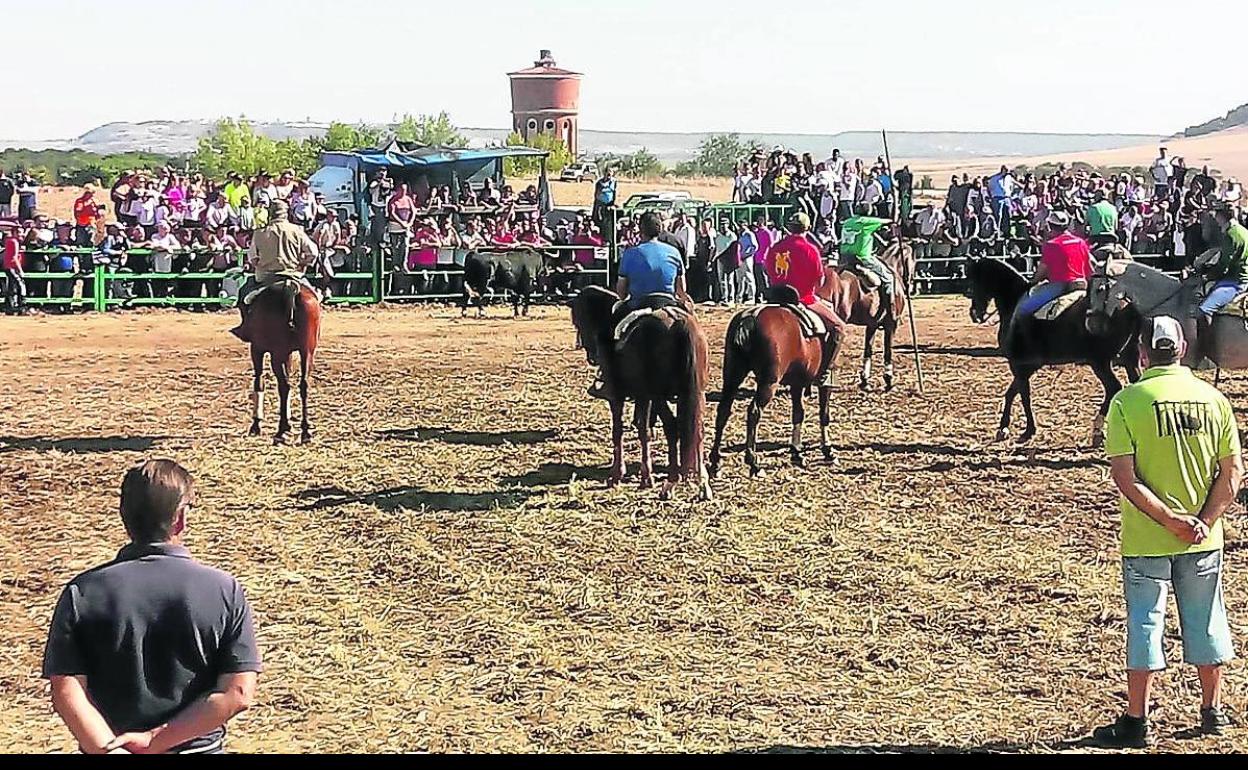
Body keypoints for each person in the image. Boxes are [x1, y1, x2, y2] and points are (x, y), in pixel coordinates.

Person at [42, 460, 261, 754]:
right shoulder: (224, 590)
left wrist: (112, 750)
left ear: (124, 517)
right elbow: (238, 692)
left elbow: (67, 692)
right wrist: (156, 740)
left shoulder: (82, 592)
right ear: (181, 518)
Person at [1092, 316, 1241, 748]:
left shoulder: (1126, 402)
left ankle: (1137, 720)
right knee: (1208, 618)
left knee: (1144, 623)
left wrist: (1168, 521)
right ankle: (1213, 711)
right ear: (1183, 348)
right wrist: (1203, 521)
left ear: (1142, 351)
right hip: (1202, 539)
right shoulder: (1215, 401)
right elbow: (1232, 473)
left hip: (1146, 539)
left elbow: (1126, 477)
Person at [588, 211, 687, 399]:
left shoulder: (631, 253)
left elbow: (621, 293)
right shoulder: (673, 252)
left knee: (608, 333)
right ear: (661, 229)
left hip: (639, 304)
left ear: (640, 231)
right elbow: (681, 290)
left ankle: (607, 380)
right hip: (669, 302)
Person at [763, 212, 841, 384]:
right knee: (838, 327)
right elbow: (820, 281)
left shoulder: (776, 247)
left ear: (790, 228)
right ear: (808, 228)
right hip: (804, 299)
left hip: (775, 297)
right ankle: (825, 372)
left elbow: (767, 269)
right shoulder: (811, 249)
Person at [232, 200, 318, 339]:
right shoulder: (298, 230)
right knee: (316, 297)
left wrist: (261, 263)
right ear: (286, 213)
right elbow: (313, 253)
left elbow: (253, 258)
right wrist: (302, 263)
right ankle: (314, 331)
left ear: (270, 213)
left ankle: (245, 325)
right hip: (293, 275)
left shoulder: (260, 232)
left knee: (243, 294)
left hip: (266, 277)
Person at [1014, 211, 1092, 318]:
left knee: (1022, 309)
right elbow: (1089, 268)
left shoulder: (1051, 245)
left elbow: (1041, 272)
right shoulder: (1081, 242)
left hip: (1060, 286)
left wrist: (1032, 282)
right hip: (1081, 284)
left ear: (1050, 226)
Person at [1194, 206, 1248, 321]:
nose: (1216, 219)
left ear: (1222, 216)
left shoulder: (1232, 234)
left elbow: (1224, 265)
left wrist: (1208, 276)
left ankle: (1207, 339)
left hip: (1235, 281)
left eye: (1217, 215)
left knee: (1204, 310)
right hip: (1238, 277)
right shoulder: (1242, 230)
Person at [838, 213, 895, 308]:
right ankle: (890, 310)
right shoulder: (867, 222)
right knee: (888, 278)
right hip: (863, 258)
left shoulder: (847, 222)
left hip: (844, 258)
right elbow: (888, 221)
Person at [2, 222, 26, 315]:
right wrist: (20, 270)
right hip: (12, 266)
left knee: (12, 286)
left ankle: (10, 307)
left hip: (8, 266)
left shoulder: (9, 240)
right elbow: (14, 257)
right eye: (19, 232)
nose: (21, 234)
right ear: (14, 233)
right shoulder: (14, 241)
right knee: (20, 285)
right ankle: (20, 306)